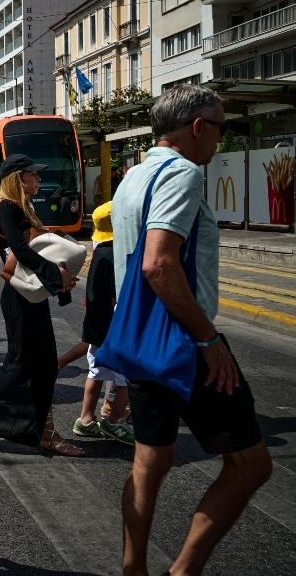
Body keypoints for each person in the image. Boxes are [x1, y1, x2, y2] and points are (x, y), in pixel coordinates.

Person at [112, 84, 271, 576]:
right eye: (220, 128)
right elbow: (158, 265)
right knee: (251, 466)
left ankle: (133, 568)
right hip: (183, 343)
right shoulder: (182, 174)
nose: (220, 141)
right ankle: (184, 571)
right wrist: (208, 339)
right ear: (199, 127)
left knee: (150, 461)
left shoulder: (133, 176)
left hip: (141, 343)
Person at [0, 154, 83, 457]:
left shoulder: (25, 207)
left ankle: (46, 433)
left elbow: (38, 251)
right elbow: (18, 249)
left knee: (45, 366)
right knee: (22, 363)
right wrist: (55, 277)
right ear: (19, 178)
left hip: (32, 295)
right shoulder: (7, 206)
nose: (39, 179)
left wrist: (60, 283)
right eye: (34, 174)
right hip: (18, 297)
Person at [61, 202, 133, 446]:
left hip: (96, 326)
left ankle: (86, 419)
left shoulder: (100, 253)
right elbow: (117, 299)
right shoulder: (117, 257)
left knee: (96, 372)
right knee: (124, 377)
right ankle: (113, 422)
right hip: (114, 328)